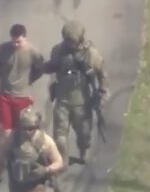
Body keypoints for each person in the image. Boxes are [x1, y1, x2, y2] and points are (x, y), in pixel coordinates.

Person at [43, 19, 109, 164]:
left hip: (82, 103)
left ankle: (83, 150)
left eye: (72, 41)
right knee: (60, 137)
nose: (69, 43)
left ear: (80, 39)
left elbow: (102, 74)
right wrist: (39, 67)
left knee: (84, 135)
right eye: (67, 40)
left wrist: (102, 95)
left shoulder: (91, 54)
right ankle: (62, 161)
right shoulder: (58, 51)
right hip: (62, 101)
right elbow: (52, 66)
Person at [0, 24, 44, 183]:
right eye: (13, 41)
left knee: (24, 132)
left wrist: (28, 82)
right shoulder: (3, 49)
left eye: (18, 42)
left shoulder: (33, 53)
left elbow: (39, 70)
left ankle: (25, 164)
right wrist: (4, 81)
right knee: (5, 133)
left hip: (23, 98)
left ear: (25, 38)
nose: (15, 44)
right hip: (5, 96)